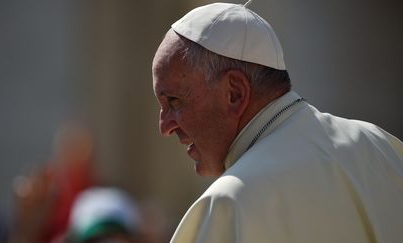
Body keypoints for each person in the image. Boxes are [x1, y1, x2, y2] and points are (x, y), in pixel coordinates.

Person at [151, 2, 403, 243]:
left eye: (174, 101)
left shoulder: (230, 202)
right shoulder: (380, 145)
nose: (165, 127)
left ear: (235, 94)